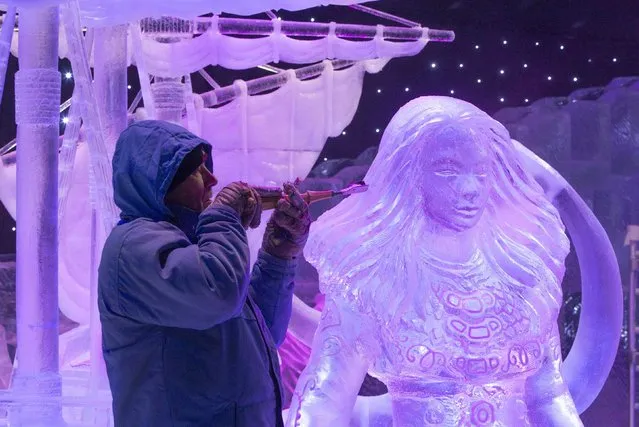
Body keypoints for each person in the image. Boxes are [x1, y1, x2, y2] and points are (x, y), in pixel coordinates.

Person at [287, 97, 587, 426]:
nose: (470, 188)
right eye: (447, 169)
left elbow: (550, 396)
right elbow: (325, 396)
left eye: (481, 171)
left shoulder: (524, 278)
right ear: (410, 174)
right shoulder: (375, 285)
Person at [98, 120, 310, 427]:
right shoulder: (131, 248)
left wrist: (279, 254)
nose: (212, 179)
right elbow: (218, 294)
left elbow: (263, 337)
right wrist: (224, 214)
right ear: (160, 179)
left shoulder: (197, 245)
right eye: (197, 170)